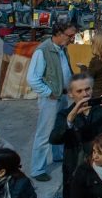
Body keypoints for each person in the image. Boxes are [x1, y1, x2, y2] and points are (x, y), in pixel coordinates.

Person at [27, 20, 78, 180]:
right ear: (59, 34)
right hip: (50, 98)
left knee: (60, 126)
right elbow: (33, 78)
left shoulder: (62, 49)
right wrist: (49, 92)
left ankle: (58, 155)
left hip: (61, 95)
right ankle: (37, 169)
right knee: (44, 132)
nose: (72, 39)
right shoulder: (42, 51)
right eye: (70, 36)